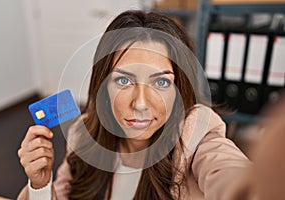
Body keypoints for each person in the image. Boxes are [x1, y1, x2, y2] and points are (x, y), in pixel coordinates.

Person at [17, 10, 251, 200]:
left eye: (161, 82)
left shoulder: (197, 138)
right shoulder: (83, 134)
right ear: (103, 88)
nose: (140, 103)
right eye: (123, 80)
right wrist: (40, 185)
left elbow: (231, 175)